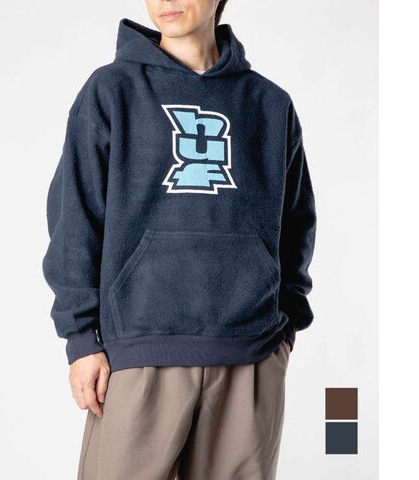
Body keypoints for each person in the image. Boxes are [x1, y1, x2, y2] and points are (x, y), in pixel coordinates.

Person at [42, 1, 316, 479]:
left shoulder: (270, 105)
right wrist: (82, 338)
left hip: (250, 354)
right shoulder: (111, 91)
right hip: (139, 351)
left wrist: (284, 331)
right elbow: (75, 218)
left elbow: (297, 222)